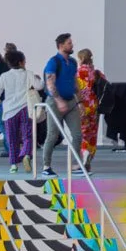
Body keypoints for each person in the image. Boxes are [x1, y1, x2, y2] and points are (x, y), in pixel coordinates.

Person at [37, 32, 79, 175]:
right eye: (69, 43)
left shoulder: (73, 62)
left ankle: (75, 165)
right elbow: (50, 83)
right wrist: (59, 100)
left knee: (77, 134)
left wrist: (79, 100)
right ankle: (46, 166)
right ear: (61, 46)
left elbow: (74, 81)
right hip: (55, 102)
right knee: (52, 135)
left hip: (71, 102)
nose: (72, 45)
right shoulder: (53, 62)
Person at [0, 50, 35, 171]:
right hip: (25, 108)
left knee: (12, 137)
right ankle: (26, 154)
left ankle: (13, 164)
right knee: (27, 135)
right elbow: (40, 85)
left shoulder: (5, 76)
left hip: (9, 110)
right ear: (21, 62)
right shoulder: (29, 74)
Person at [75, 48, 105, 164]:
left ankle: (84, 151)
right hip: (94, 105)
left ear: (81, 59)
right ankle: (90, 154)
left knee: (82, 131)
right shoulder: (97, 73)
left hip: (82, 105)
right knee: (92, 132)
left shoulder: (77, 73)